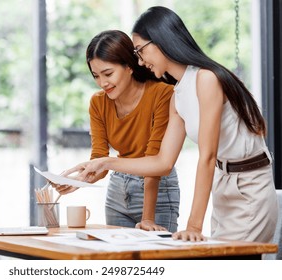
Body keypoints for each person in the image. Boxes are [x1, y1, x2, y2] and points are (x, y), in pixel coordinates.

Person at [65, 6, 278, 243]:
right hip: (223, 184)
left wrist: (193, 226)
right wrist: (104, 162)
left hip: (250, 186)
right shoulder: (178, 94)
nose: (140, 61)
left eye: (140, 51)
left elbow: (207, 156)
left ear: (162, 41)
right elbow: (163, 163)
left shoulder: (206, 79)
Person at [55, 30, 180, 232]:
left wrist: (147, 217)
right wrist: (79, 181)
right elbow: (99, 158)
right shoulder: (98, 102)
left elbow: (155, 161)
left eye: (108, 74)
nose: (102, 83)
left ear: (129, 66)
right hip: (117, 190)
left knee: (157, 260)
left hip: (156, 192)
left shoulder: (162, 94)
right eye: (96, 76)